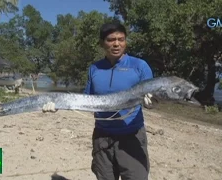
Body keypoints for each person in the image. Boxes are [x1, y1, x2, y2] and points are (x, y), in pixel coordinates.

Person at [43, 22, 154, 180]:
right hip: (102, 136)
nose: (116, 44)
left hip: (132, 136)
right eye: (111, 40)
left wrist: (152, 103)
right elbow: (87, 100)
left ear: (126, 41)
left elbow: (153, 98)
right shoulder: (94, 69)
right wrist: (58, 104)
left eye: (121, 39)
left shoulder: (140, 66)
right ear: (102, 43)